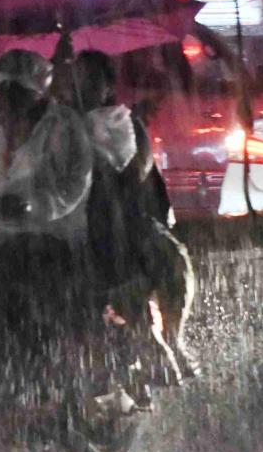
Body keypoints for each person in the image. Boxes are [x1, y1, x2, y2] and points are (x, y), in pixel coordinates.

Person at [72, 50, 200, 381]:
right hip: (87, 222)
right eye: (77, 78)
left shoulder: (128, 122)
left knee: (171, 261)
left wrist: (119, 180)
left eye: (91, 79)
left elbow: (140, 169)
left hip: (132, 218)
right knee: (120, 268)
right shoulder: (66, 126)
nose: (83, 85)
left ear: (107, 84)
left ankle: (174, 337)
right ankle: (150, 346)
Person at [0, 49, 94, 344]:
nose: (8, 98)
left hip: (50, 243)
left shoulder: (66, 126)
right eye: (2, 90)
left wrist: (34, 205)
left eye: (17, 90)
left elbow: (74, 185)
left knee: (42, 331)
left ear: (38, 93)